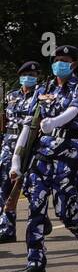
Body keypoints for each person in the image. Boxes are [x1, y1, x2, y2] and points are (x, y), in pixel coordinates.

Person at [9, 45, 78, 272]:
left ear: (74, 64)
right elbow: (31, 123)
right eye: (57, 59)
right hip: (42, 154)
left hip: (68, 152)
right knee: (35, 207)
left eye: (65, 60)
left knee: (64, 210)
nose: (60, 63)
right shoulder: (44, 87)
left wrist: (55, 122)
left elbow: (74, 111)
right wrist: (16, 159)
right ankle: (36, 262)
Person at [0, 60, 40, 244]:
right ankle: (7, 229)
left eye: (32, 76)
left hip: (28, 147)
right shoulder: (11, 96)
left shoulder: (39, 96)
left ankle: (42, 219)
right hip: (8, 145)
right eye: (25, 75)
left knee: (31, 190)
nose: (28, 78)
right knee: (5, 188)